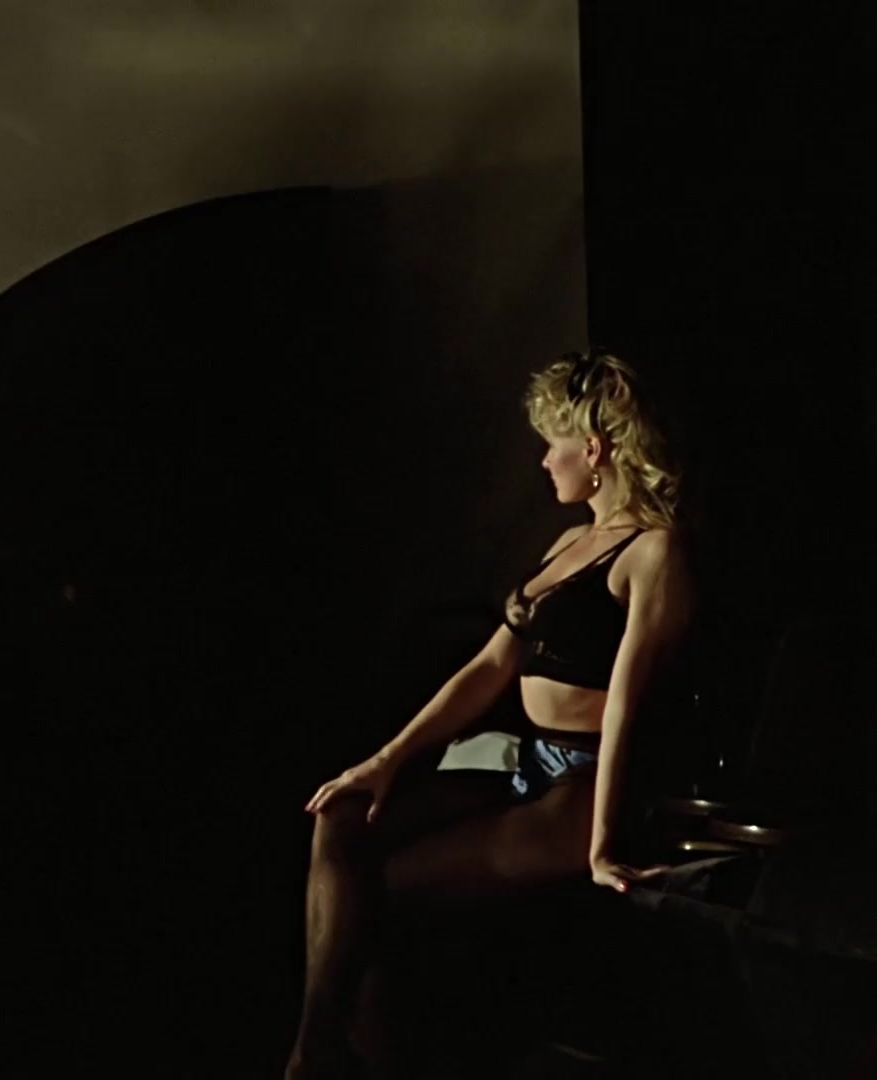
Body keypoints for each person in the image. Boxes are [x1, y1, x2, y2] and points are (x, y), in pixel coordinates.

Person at [285, 350, 693, 1079]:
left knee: (385, 892)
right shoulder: (567, 544)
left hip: (585, 785)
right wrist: (384, 761)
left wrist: (602, 845)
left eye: (551, 443)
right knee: (340, 816)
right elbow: (486, 669)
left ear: (593, 449)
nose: (543, 461)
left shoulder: (653, 552)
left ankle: (330, 1064)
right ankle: (317, 1050)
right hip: (524, 763)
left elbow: (627, 709)